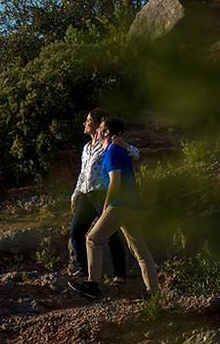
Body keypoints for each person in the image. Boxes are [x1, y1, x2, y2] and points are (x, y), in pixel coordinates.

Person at [68, 117, 160, 300]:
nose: (98, 130)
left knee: (93, 239)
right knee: (140, 250)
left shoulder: (112, 152)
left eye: (101, 127)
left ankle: (93, 285)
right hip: (133, 206)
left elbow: (115, 182)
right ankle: (153, 293)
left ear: (107, 132)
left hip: (120, 205)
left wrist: (107, 204)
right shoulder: (114, 150)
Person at [69, 108, 140, 282]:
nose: (85, 124)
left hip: (103, 193)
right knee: (77, 230)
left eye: (88, 121)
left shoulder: (109, 146)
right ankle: (83, 268)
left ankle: (119, 273)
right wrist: (75, 193)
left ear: (97, 124)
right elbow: (83, 173)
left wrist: (124, 144)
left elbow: (136, 155)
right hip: (85, 194)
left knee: (111, 233)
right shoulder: (86, 148)